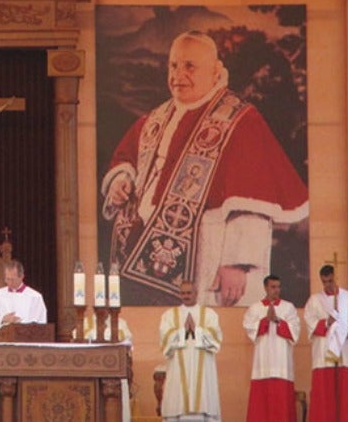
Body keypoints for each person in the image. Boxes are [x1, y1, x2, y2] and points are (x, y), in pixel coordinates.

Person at [101, 30, 308, 306]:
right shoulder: (158, 117)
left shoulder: (241, 120)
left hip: (210, 255)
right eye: (173, 65)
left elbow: (252, 201)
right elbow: (127, 157)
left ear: (214, 72)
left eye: (189, 66)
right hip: (142, 258)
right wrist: (121, 180)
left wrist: (237, 262)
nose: (178, 74)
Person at [159, 281, 222, 421]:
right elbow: (165, 340)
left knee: (203, 399)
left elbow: (216, 340)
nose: (186, 296)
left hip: (203, 367)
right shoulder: (169, 315)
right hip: (178, 368)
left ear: (196, 293)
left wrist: (197, 331)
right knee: (178, 401)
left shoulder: (209, 314)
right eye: (183, 293)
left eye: (189, 293)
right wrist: (183, 332)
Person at [304, 264, 348, 421]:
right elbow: (310, 322)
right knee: (324, 398)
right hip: (324, 355)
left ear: (335, 277)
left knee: (344, 397)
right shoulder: (314, 300)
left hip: (343, 354)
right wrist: (327, 323)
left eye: (330, 281)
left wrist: (340, 327)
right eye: (324, 282)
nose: (328, 285)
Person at [242, 274, 301, 422]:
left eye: (278, 287)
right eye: (273, 287)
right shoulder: (255, 308)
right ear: (265, 287)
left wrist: (277, 320)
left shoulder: (288, 308)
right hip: (262, 365)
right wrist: (265, 322)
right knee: (261, 409)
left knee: (282, 409)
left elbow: (295, 333)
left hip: (282, 365)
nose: (276, 290)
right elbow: (250, 329)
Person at [0, 260, 47, 335]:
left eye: (13, 280)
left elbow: (41, 325)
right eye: (7, 279)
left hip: (25, 340)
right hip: (1, 339)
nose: (9, 283)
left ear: (22, 277)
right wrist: (3, 319)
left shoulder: (35, 297)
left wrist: (20, 324)